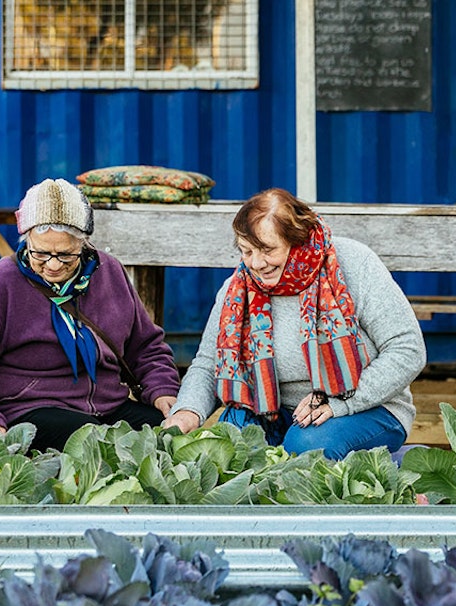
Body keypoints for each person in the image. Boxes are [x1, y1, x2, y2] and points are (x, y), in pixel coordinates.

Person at [163, 188, 426, 459]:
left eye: (267, 250)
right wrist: (187, 411)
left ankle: (401, 467)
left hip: (367, 407)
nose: (255, 263)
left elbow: (407, 349)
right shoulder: (237, 290)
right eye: (247, 251)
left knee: (306, 448)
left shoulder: (353, 265)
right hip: (276, 411)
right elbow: (209, 363)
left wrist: (339, 403)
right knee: (226, 448)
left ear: (297, 239)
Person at [0, 178, 180, 451]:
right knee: (93, 443)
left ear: (83, 245)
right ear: (26, 239)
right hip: (29, 411)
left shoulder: (109, 272)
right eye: (41, 253)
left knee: (170, 437)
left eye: (65, 255)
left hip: (108, 406)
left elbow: (146, 347)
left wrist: (162, 389)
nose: (52, 265)